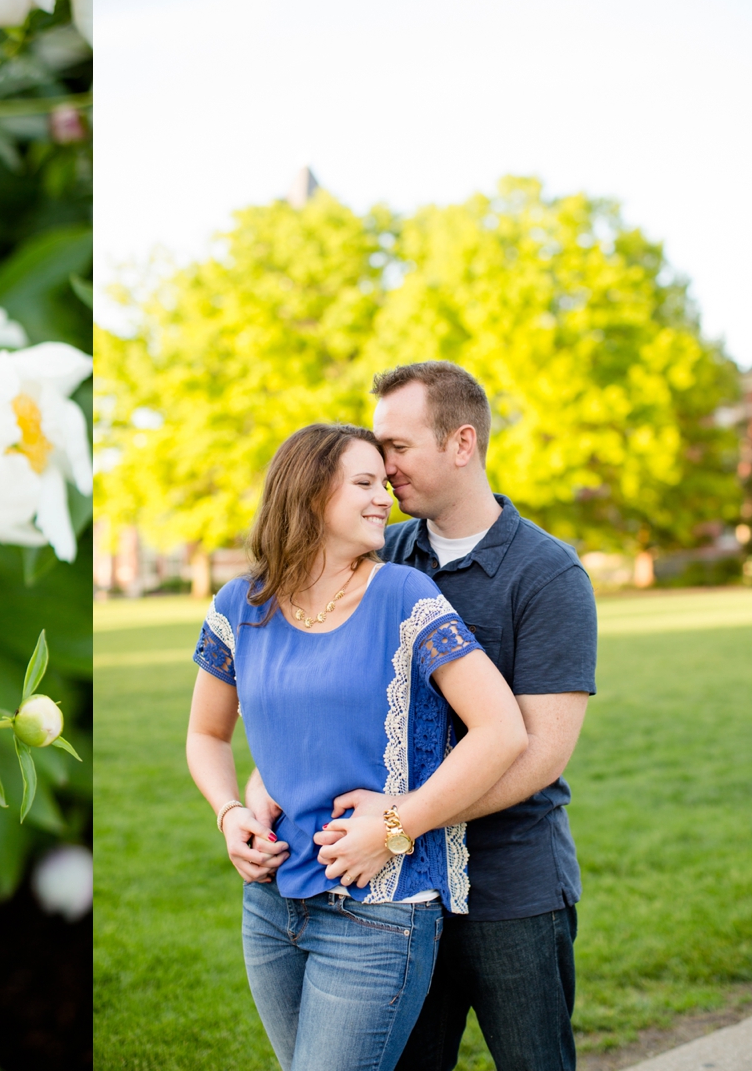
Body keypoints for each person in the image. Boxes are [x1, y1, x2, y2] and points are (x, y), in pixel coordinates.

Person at [247, 363, 598, 1071]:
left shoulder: (549, 575)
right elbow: (322, 697)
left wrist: (401, 822)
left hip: (510, 891)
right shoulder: (379, 558)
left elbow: (540, 754)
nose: (383, 467)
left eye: (397, 448)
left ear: (462, 443)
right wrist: (259, 796)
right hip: (395, 904)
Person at [186, 422, 529, 1071]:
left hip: (377, 913)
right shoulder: (241, 605)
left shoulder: (404, 596)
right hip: (269, 906)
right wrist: (229, 812)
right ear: (311, 494)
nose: (386, 498)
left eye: (385, 483)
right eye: (365, 483)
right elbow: (206, 734)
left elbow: (502, 730)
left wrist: (396, 825)